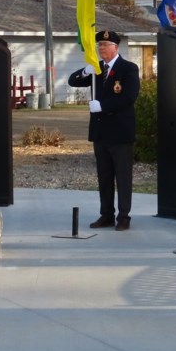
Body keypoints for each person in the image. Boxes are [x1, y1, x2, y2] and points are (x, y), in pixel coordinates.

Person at [67, 30, 141, 231]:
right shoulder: (97, 69)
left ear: (116, 47)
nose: (101, 48)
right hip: (101, 132)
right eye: (99, 45)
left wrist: (102, 106)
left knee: (123, 177)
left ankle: (123, 216)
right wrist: (85, 71)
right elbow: (72, 81)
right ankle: (106, 215)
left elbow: (129, 97)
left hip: (120, 131)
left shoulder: (128, 68)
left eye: (105, 45)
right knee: (104, 176)